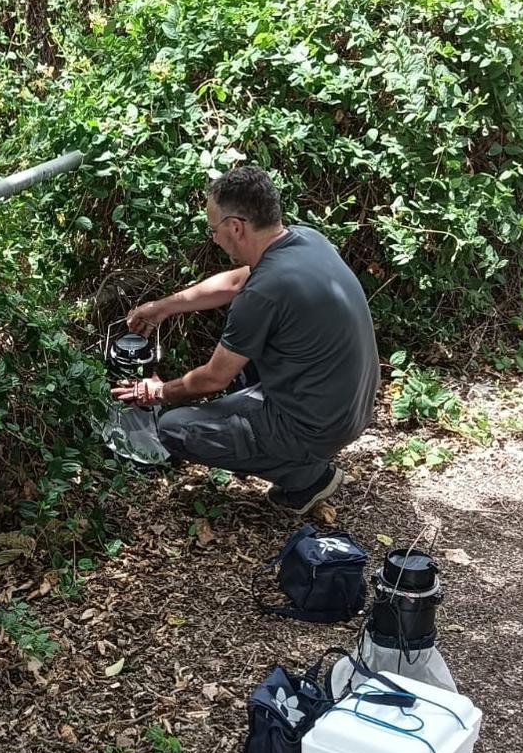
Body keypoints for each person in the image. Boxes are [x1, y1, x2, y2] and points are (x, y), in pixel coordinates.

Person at [112, 165, 379, 513]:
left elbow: (214, 377)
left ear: (235, 227)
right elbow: (236, 282)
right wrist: (163, 307)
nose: (215, 239)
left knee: (175, 428)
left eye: (213, 230)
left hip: (318, 426)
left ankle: (306, 477)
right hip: (351, 406)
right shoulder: (307, 239)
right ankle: (292, 448)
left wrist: (158, 392)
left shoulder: (265, 293)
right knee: (250, 361)